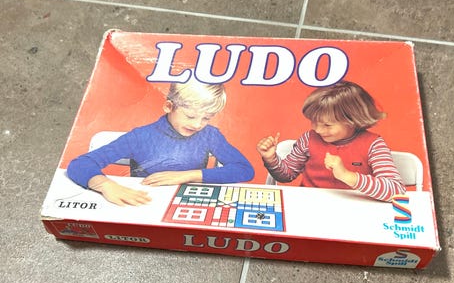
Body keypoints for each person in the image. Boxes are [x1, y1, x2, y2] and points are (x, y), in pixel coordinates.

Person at [68, 78, 254, 206]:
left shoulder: (210, 135)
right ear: (168, 106)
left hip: (187, 203)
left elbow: (244, 169)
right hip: (143, 202)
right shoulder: (140, 137)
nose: (198, 124)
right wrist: (105, 185)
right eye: (190, 116)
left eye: (206, 118)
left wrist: (189, 175)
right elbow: (80, 164)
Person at [257, 81, 406, 202]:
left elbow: (396, 191)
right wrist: (271, 158)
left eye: (327, 125)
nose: (318, 130)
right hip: (310, 207)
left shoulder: (374, 145)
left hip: (356, 211)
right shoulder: (308, 139)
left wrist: (347, 176)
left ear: (353, 121)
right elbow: (286, 175)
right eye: (314, 122)